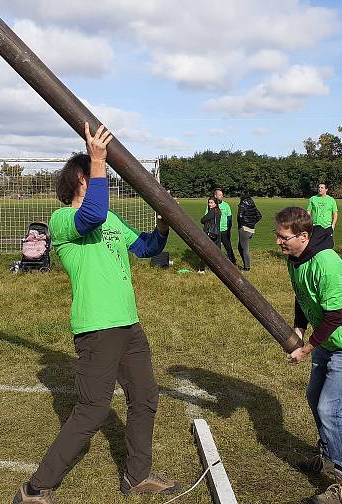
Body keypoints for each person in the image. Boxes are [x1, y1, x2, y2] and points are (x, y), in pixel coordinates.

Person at [14, 123, 180, 503]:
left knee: (145, 398)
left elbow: (147, 249)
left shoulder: (112, 220)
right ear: (79, 179)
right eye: (91, 172)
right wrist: (100, 159)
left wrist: (163, 225)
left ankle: (137, 476)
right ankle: (35, 489)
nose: (98, 176)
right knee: (93, 410)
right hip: (97, 329)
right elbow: (91, 214)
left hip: (129, 325)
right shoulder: (62, 221)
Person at [275, 207, 342, 504]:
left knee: (331, 410)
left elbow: (335, 315)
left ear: (303, 236)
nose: (279, 243)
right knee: (314, 397)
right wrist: (298, 327)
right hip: (329, 340)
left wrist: (306, 348)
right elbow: (302, 294)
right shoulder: (295, 259)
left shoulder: (327, 264)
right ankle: (328, 458)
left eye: (284, 238)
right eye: (277, 236)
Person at [236, 193, 262, 271]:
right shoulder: (252, 204)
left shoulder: (242, 205)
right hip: (251, 229)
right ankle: (245, 265)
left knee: (244, 249)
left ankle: (247, 267)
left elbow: (240, 217)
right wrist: (252, 223)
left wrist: (244, 224)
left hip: (244, 229)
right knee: (240, 247)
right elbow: (259, 216)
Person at [211, 188, 237, 265]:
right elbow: (207, 217)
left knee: (228, 247)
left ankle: (233, 262)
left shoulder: (226, 205)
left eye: (222, 195)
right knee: (215, 248)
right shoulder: (211, 204)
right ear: (215, 196)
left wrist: (229, 229)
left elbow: (229, 218)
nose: (222, 196)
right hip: (214, 231)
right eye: (220, 195)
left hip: (224, 230)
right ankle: (216, 263)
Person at [197, 196, 222, 273]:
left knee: (204, 251)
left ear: (215, 203)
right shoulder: (218, 211)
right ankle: (219, 268)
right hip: (217, 233)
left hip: (209, 233)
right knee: (217, 252)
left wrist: (206, 222)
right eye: (209, 202)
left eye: (211, 203)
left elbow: (202, 220)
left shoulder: (212, 211)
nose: (210, 204)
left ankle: (201, 269)